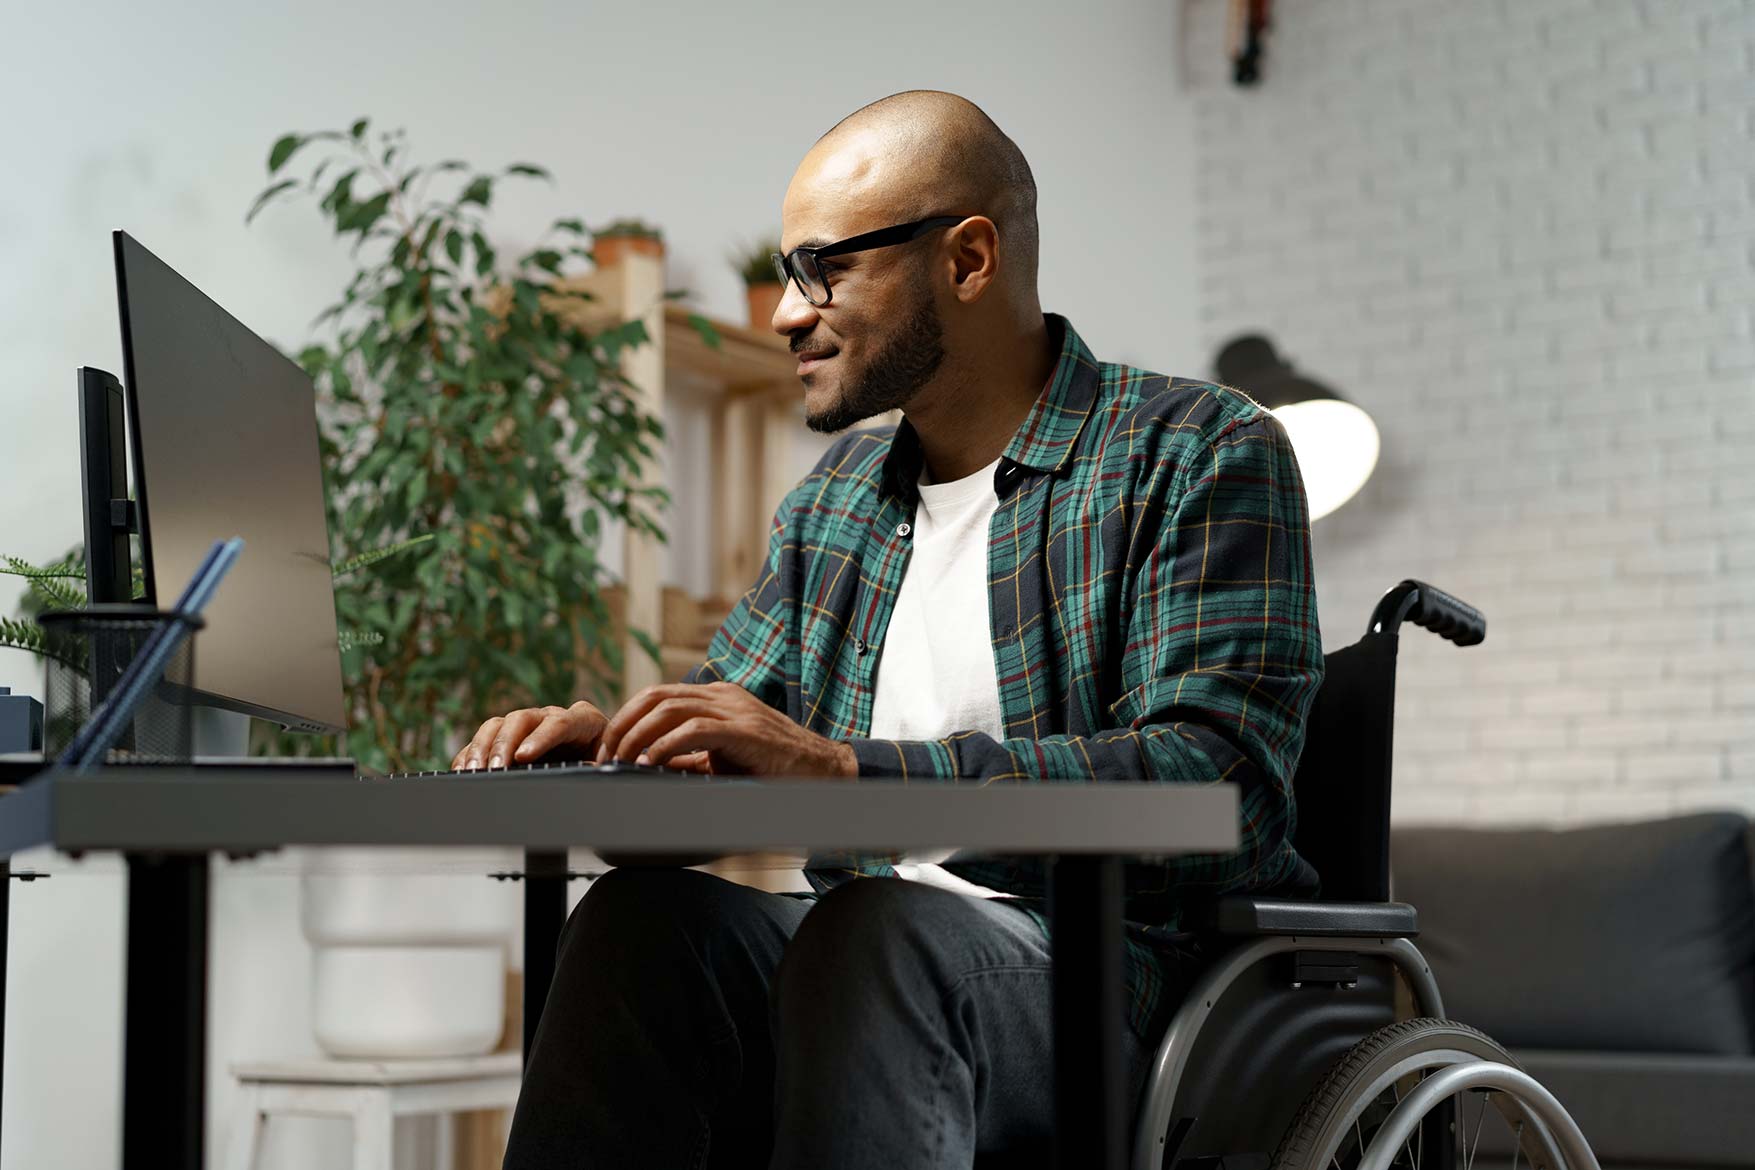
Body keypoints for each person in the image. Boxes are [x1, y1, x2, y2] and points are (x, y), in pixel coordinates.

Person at [457, 89, 1324, 1170]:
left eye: (824, 269)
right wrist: (617, 757)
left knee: (871, 932)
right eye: (784, 275)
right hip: (861, 969)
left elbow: (1220, 784)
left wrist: (844, 772)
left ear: (967, 261)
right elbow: (736, 745)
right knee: (640, 927)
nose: (785, 313)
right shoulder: (838, 502)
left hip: (1122, 986)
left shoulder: (1195, 449)